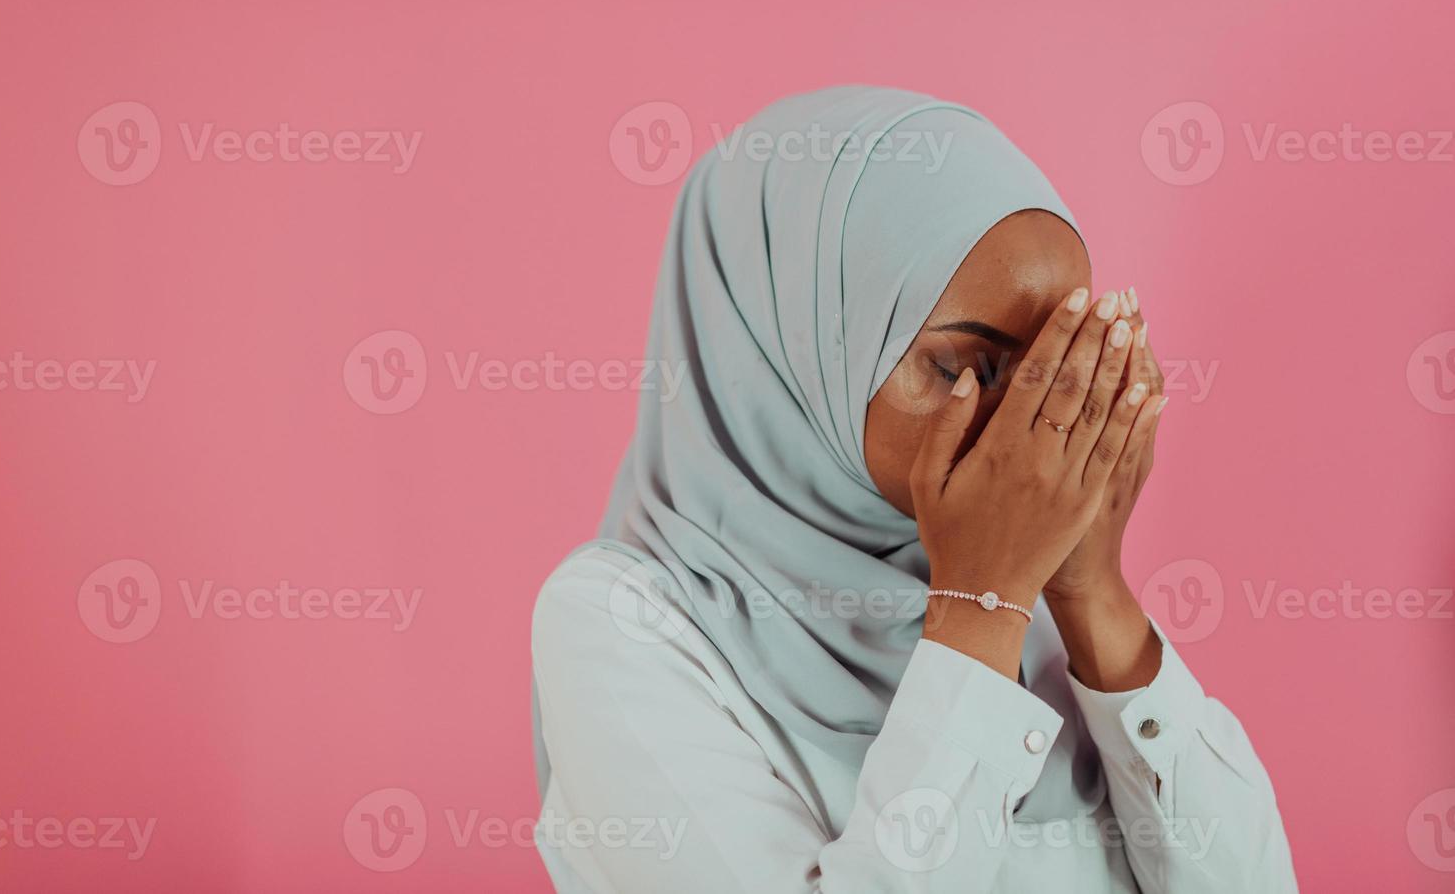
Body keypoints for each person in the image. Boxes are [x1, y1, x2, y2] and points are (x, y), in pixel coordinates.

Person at [531, 86, 1297, 892]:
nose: (1028, 436)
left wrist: (1091, 590)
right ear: (803, 348)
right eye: (967, 366)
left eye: (1055, 371)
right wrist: (982, 606)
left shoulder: (1030, 584)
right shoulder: (622, 625)